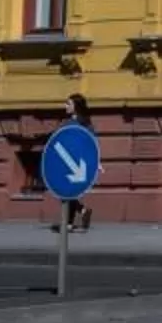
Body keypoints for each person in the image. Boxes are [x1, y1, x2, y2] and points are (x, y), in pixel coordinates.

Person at [57, 93, 95, 232]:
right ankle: (77, 215)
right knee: (66, 192)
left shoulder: (81, 124)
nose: (65, 106)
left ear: (76, 106)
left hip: (75, 163)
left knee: (66, 192)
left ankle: (71, 220)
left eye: (68, 103)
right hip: (67, 160)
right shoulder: (69, 122)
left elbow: (90, 143)